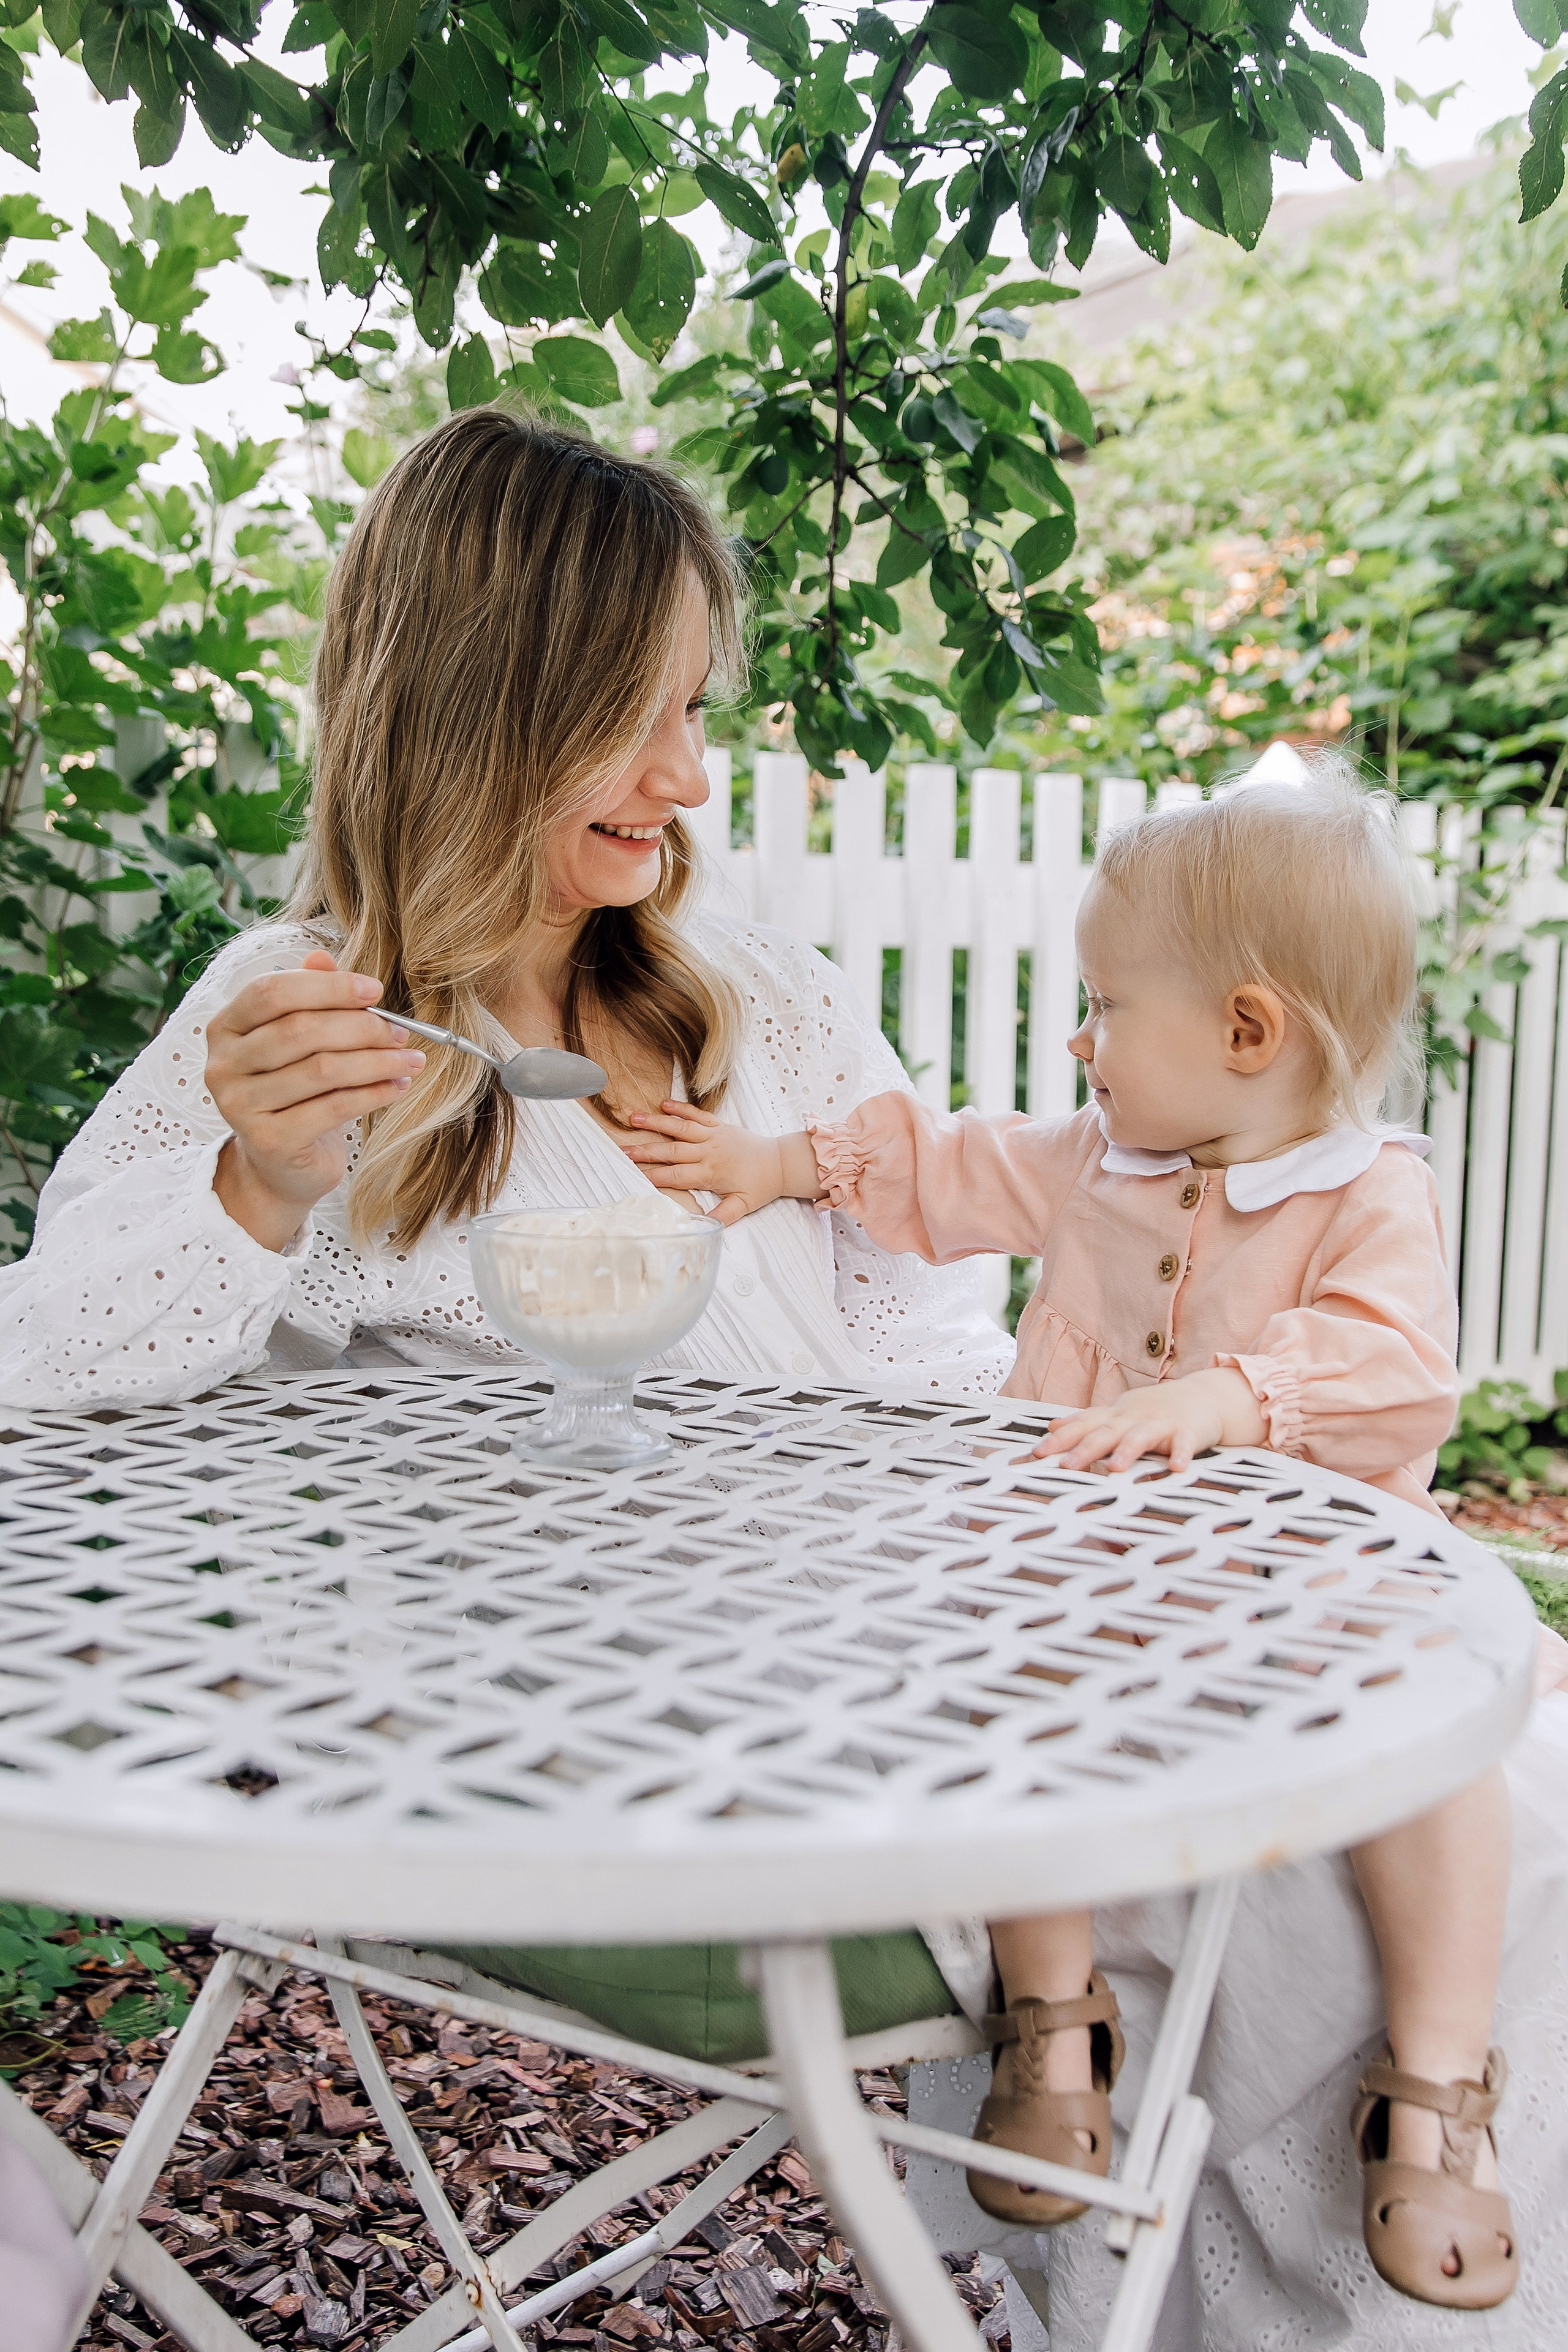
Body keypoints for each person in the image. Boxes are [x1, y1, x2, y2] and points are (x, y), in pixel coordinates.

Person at [619, 766, 1542, 2313]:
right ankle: (1054, 2024)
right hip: (1094, 1583)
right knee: (1005, 1702)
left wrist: (1237, 1395)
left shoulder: (1369, 1195)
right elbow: (948, 1163)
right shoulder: (1092, 1163)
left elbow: (1399, 1373)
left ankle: (1435, 2089)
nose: (1078, 1039)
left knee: (1440, 1756)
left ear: (1245, 1031)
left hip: (1312, 1593)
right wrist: (773, 1167)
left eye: (1105, 1006)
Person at [0, 408, 1009, 1415]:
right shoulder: (306, 1028)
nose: (690, 780)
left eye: (693, 707)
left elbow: (945, 1354)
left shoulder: (777, 997)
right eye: (628, 717)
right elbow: (41, 1371)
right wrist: (255, 1189)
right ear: (465, 721)